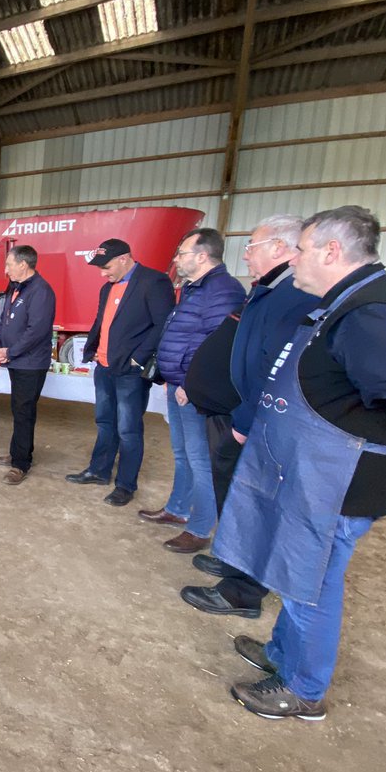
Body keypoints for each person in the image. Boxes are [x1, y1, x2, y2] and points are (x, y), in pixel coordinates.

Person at [213, 205, 386, 720]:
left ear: (332, 251)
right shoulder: (345, 304)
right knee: (296, 574)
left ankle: (303, 689)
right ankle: (283, 654)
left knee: (312, 585)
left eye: (302, 250)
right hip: (315, 474)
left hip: (339, 482)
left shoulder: (372, 312)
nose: (295, 261)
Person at [177, 215, 320, 618]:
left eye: (252, 245)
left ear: (279, 247)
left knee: (250, 499)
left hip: (252, 420)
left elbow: (274, 368)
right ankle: (234, 559)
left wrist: (242, 422)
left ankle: (243, 590)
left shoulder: (296, 295)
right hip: (237, 412)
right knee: (235, 495)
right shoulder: (272, 290)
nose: (245, 253)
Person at [138, 229, 246, 553]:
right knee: (183, 454)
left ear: (202, 256)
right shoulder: (193, 288)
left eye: (181, 253)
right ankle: (177, 509)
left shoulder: (223, 290)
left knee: (201, 460)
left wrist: (190, 383)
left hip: (193, 391)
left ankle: (200, 529)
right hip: (178, 385)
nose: (176, 259)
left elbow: (214, 344)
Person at [67, 238, 175, 506]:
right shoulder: (108, 288)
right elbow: (101, 321)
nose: (103, 273)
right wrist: (91, 349)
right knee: (105, 422)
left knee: (128, 429)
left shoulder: (154, 282)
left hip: (129, 371)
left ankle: (125, 485)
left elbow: (164, 324)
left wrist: (139, 358)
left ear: (125, 258)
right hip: (104, 366)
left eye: (107, 267)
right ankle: (98, 470)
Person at [0, 245, 56, 484]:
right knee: (18, 409)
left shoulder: (41, 291)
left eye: (9, 264)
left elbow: (36, 331)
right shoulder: (15, 287)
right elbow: (3, 320)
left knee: (24, 411)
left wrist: (11, 351)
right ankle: (17, 452)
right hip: (16, 360)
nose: (5, 269)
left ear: (23, 264)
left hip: (30, 362)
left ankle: (21, 464)